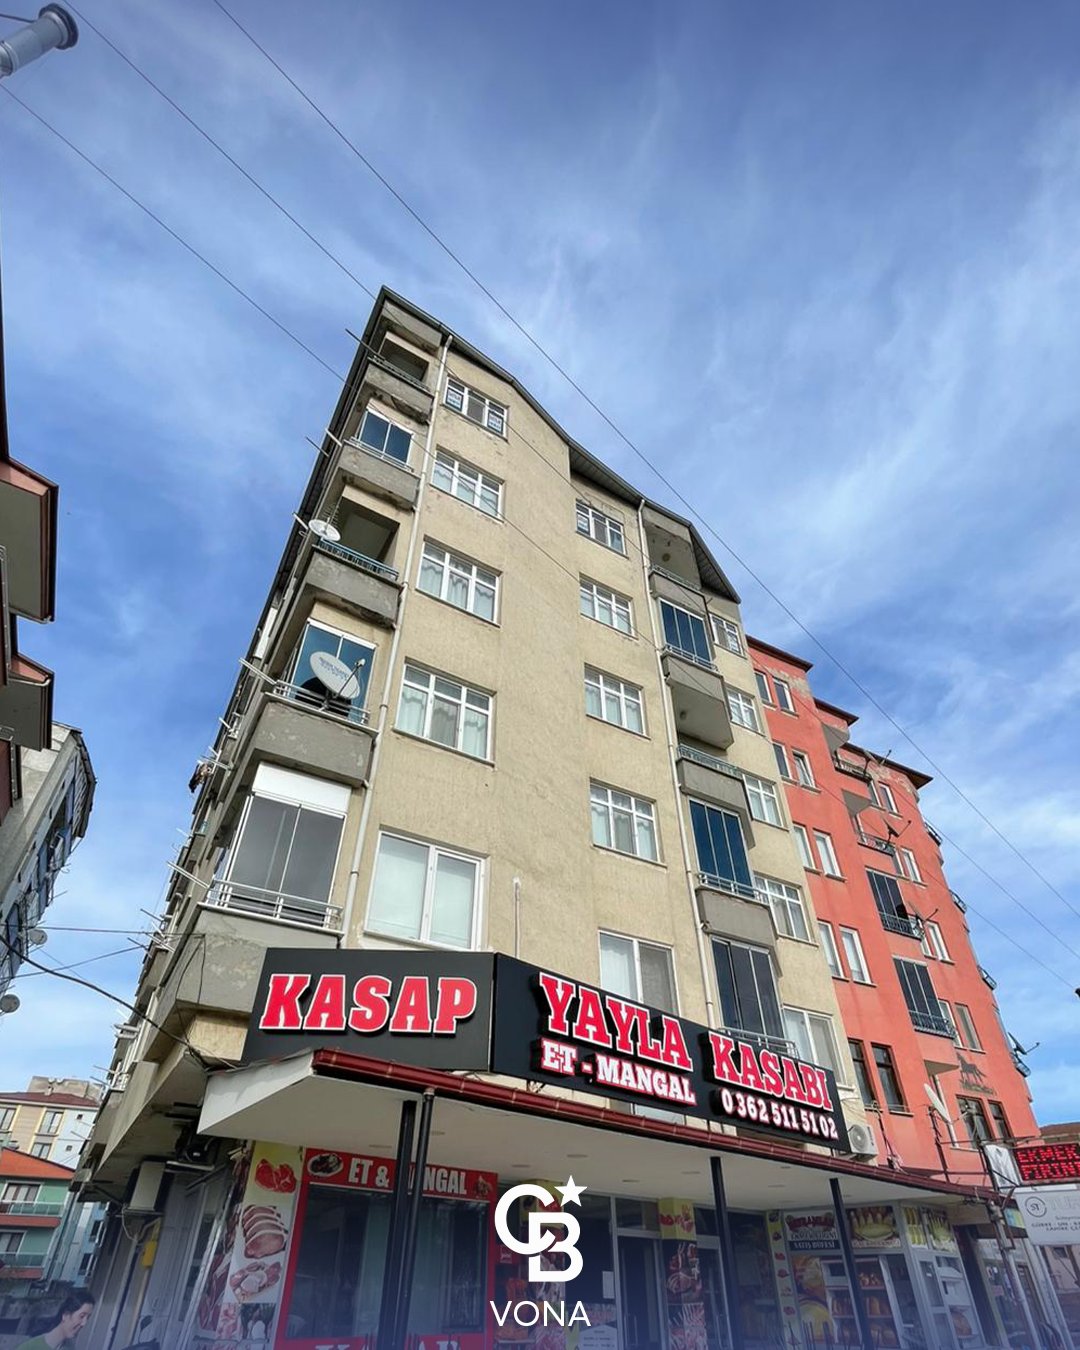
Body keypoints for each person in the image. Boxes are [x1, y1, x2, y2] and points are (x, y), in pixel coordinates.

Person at [18, 1292, 95, 1349]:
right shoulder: (31, 1347)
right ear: (66, 1315)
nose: (84, 1323)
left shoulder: (70, 1347)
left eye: (87, 1318)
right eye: (81, 1316)